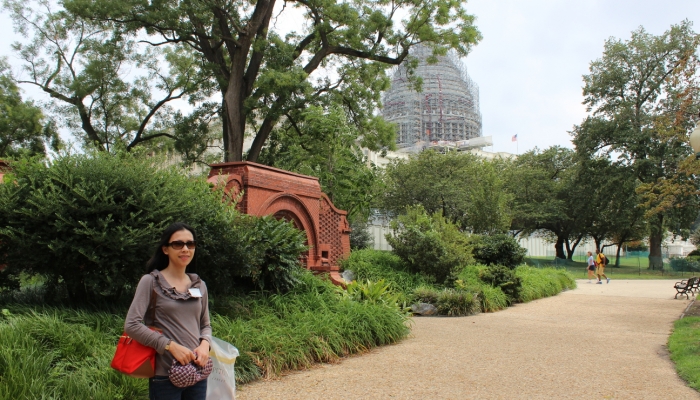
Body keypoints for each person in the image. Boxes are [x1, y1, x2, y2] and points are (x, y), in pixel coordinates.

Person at [124, 222, 212, 400]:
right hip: (164, 377)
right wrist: (169, 345)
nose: (185, 249)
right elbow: (131, 325)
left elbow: (205, 324)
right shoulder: (151, 282)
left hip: (197, 372)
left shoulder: (199, 285)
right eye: (178, 244)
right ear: (165, 249)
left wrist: (205, 344)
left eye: (190, 244)